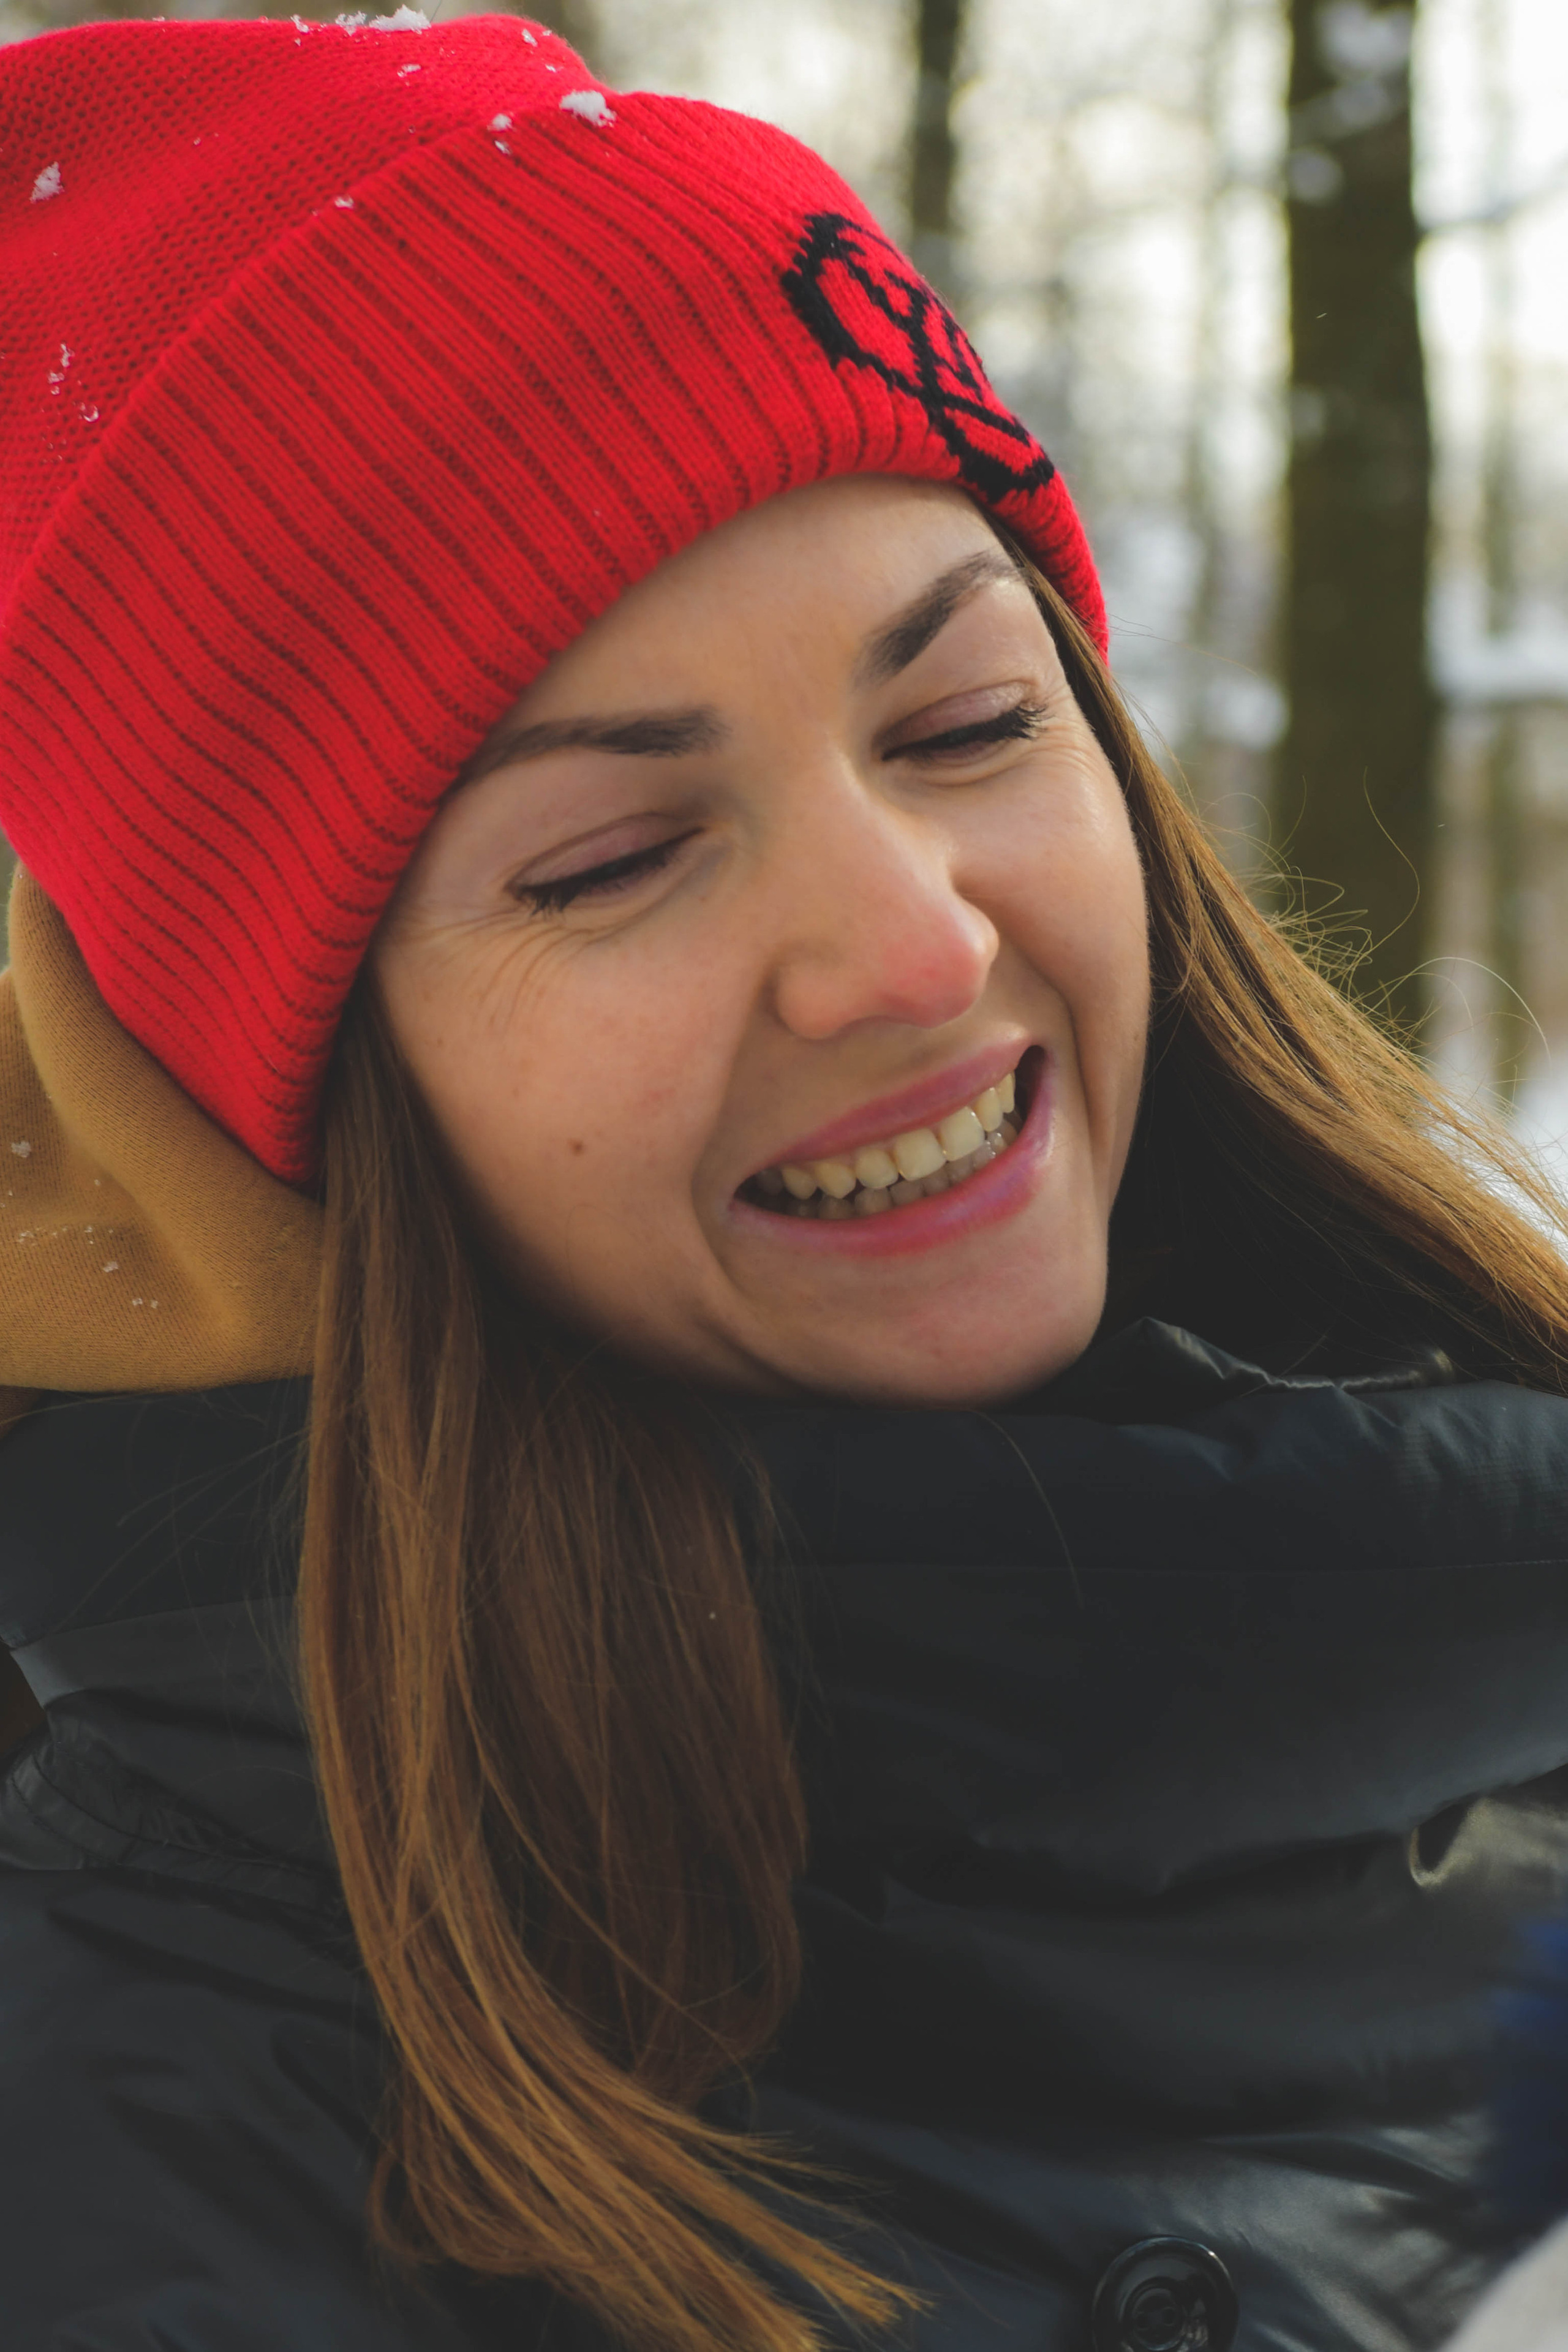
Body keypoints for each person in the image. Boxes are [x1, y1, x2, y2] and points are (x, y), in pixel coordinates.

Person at [2, 15, 1568, 2352]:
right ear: (293, 1113)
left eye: (965, 724)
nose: (915, 943)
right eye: (616, 858)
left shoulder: (1483, 1693)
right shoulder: (151, 2177)